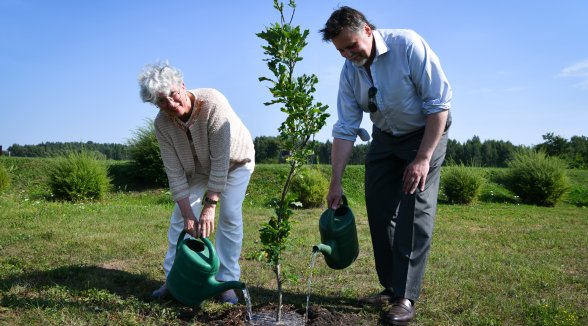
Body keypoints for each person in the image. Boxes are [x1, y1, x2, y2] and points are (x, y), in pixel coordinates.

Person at [320, 7, 452, 325]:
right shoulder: (350, 72)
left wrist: (422, 159)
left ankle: (405, 297)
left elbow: (439, 104)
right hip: (385, 136)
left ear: (367, 29)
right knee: (379, 209)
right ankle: (391, 287)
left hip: (426, 133)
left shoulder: (408, 45)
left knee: (413, 211)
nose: (348, 54)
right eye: (340, 51)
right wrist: (335, 181)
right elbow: (345, 128)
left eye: (351, 45)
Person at [138, 62, 255, 305]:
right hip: (200, 168)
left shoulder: (213, 103)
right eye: (161, 101)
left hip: (235, 161)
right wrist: (188, 213)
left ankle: (226, 281)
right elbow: (174, 172)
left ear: (182, 85)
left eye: (173, 94)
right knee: (180, 219)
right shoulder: (162, 124)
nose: (170, 103)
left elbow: (221, 161)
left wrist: (210, 205)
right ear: (154, 104)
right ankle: (173, 279)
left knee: (230, 215)